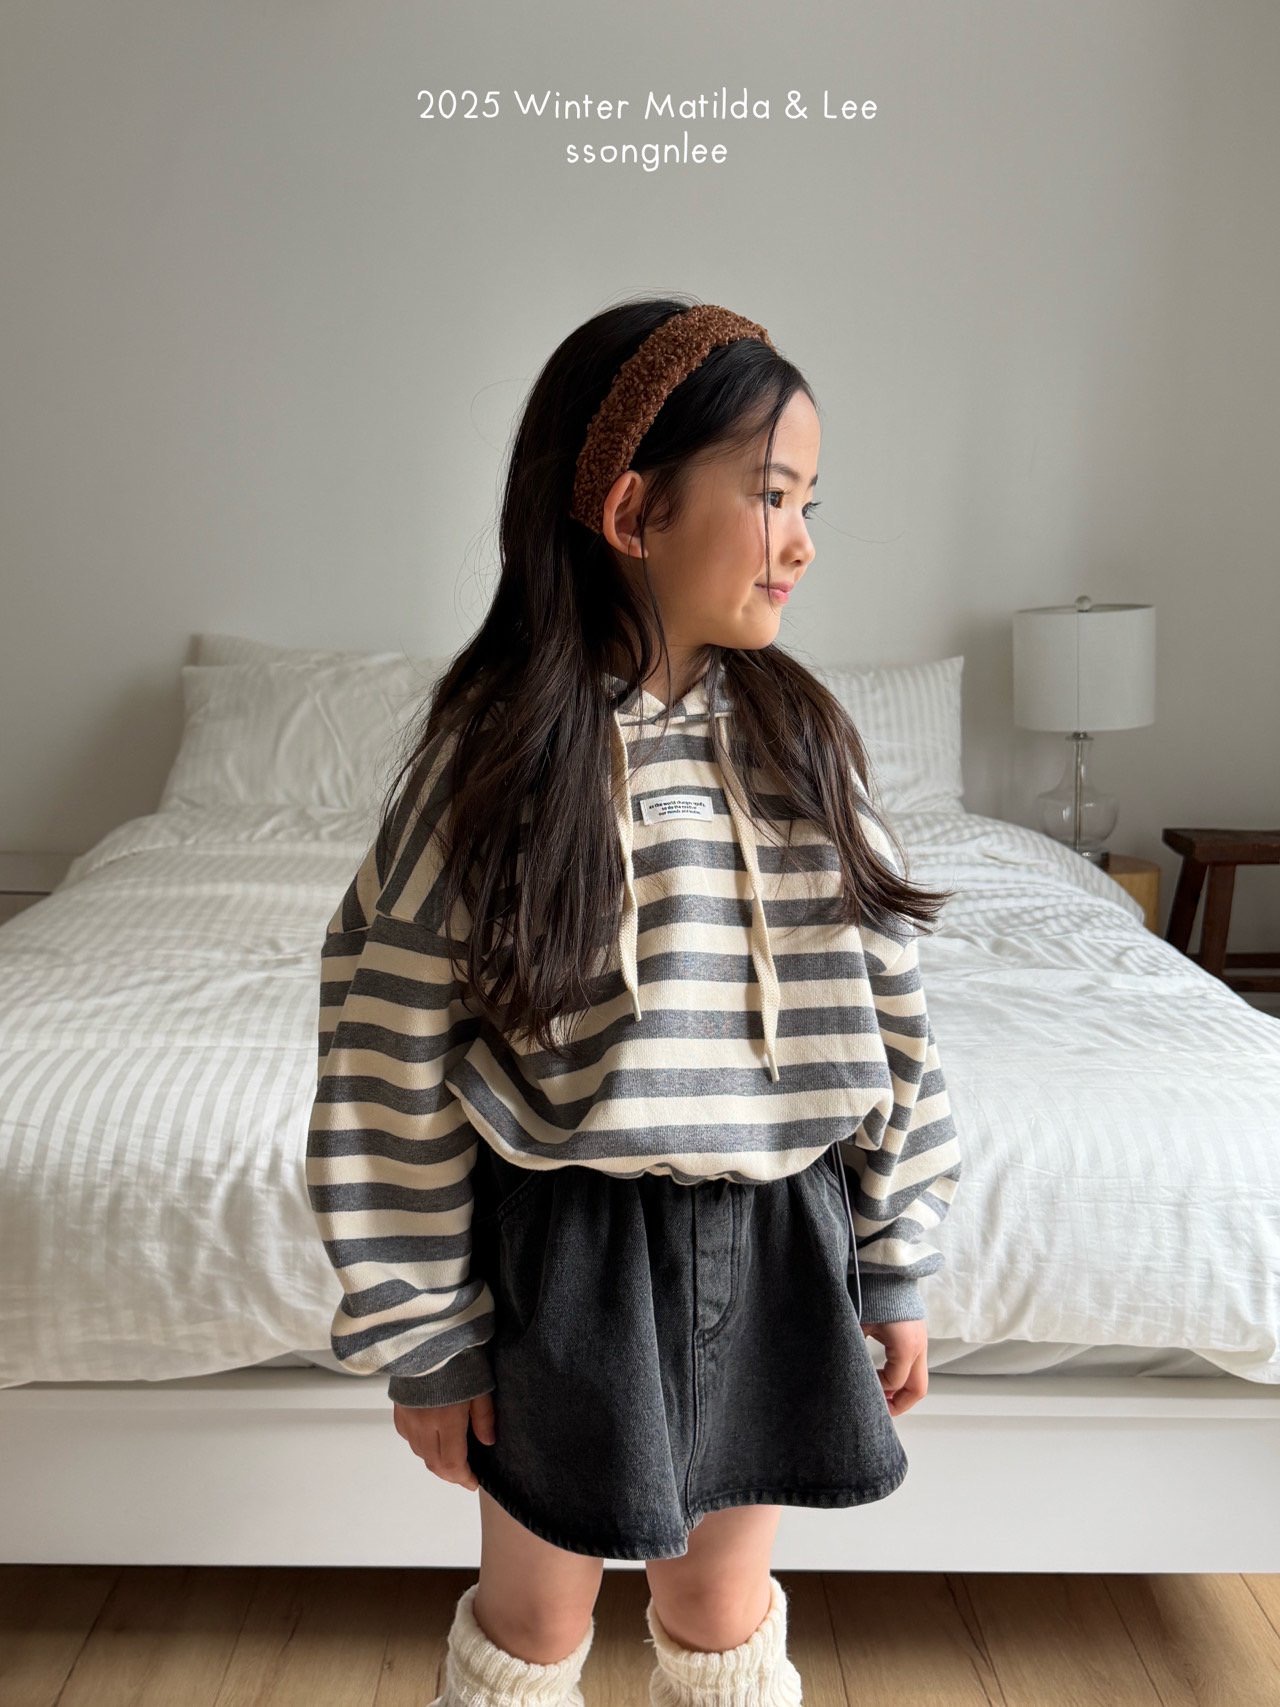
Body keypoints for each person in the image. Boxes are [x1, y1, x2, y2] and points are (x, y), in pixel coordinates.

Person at [305, 298, 964, 1706]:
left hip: (780, 1232)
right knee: (537, 1618)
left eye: (810, 503)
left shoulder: (805, 745)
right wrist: (426, 1335)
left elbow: (891, 1014)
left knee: (722, 1607)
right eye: (771, 496)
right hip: (570, 1249)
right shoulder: (494, 763)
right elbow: (385, 1057)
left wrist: (894, 1250)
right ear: (631, 512)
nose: (802, 539)